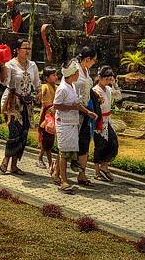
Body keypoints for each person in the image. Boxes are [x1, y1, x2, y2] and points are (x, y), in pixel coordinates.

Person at [51, 59, 96, 194]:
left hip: (72, 122)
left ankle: (59, 176)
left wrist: (88, 112)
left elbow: (77, 103)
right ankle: (64, 181)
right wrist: (72, 107)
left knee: (68, 151)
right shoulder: (63, 88)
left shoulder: (72, 86)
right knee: (64, 153)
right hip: (64, 124)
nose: (78, 75)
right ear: (72, 75)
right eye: (76, 73)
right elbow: (56, 105)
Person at [0, 37, 41, 175]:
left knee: (23, 133)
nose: (28, 50)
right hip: (12, 102)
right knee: (14, 131)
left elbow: (36, 82)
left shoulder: (33, 65)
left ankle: (14, 165)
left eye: (29, 48)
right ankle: (6, 159)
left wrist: (39, 93)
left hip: (26, 103)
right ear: (17, 50)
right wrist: (2, 67)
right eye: (25, 48)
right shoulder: (10, 64)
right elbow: (5, 82)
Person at [73, 45, 100, 186]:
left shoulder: (86, 70)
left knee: (84, 143)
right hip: (74, 111)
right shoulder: (75, 69)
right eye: (94, 60)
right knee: (69, 145)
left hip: (86, 110)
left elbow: (87, 89)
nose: (94, 62)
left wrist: (96, 95)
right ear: (87, 58)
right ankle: (58, 172)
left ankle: (82, 174)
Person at [92, 65, 122, 181]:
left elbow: (118, 96)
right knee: (99, 145)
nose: (107, 82)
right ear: (99, 77)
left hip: (108, 119)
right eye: (106, 79)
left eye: (109, 79)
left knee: (113, 143)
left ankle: (104, 166)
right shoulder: (95, 90)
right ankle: (96, 171)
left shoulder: (108, 89)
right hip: (99, 120)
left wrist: (115, 84)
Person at [37, 65, 58, 170]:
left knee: (49, 139)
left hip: (55, 116)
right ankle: (50, 163)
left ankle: (40, 158)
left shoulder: (58, 88)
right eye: (53, 75)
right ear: (46, 78)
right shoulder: (44, 87)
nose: (56, 77)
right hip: (46, 117)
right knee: (47, 139)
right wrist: (39, 96)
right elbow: (39, 95)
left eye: (56, 75)